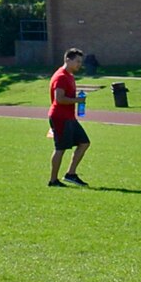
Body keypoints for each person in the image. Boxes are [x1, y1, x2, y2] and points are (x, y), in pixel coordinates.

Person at [47, 48, 91, 187]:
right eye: (77, 61)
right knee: (60, 148)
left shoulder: (69, 76)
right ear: (67, 60)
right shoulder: (61, 76)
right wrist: (78, 100)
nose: (79, 64)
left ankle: (70, 174)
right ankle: (53, 180)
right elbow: (59, 99)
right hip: (60, 117)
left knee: (84, 143)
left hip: (69, 117)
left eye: (80, 62)